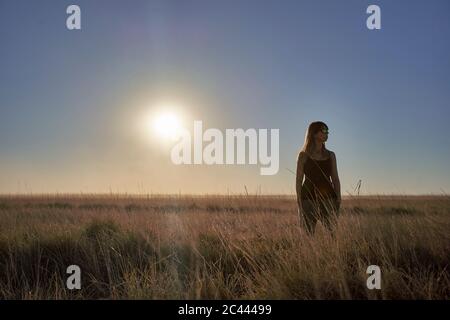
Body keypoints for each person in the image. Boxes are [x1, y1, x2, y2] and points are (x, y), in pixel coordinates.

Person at [296, 121, 341, 235]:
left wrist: (338, 197)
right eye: (324, 131)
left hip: (328, 199)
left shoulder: (331, 155)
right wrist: (299, 201)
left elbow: (335, 178)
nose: (327, 133)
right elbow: (298, 180)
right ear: (314, 134)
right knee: (308, 235)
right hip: (308, 199)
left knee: (333, 234)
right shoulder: (303, 155)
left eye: (328, 131)